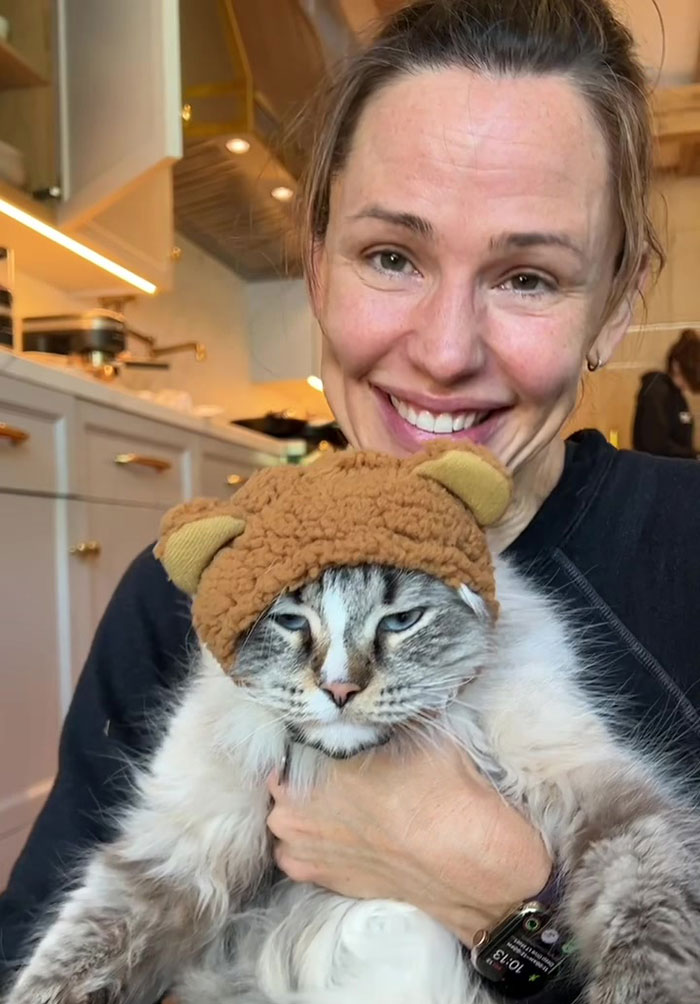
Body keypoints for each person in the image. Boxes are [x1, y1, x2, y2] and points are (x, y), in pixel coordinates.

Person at [2, 1, 699, 1002]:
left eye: (529, 275)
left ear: (616, 306)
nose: (445, 351)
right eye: (390, 256)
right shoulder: (186, 590)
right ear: (316, 261)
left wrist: (510, 909)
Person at [632, 328, 699, 457]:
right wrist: (692, 455)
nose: (688, 385)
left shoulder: (678, 396)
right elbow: (655, 444)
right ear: (676, 365)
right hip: (657, 471)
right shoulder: (656, 392)